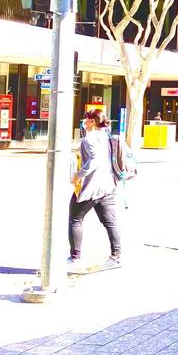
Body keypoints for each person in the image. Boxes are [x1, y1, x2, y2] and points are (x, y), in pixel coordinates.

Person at [69, 109, 121, 266]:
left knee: (75, 219)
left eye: (86, 119)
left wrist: (78, 175)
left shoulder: (89, 139)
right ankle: (116, 256)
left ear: (92, 121)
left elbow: (94, 161)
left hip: (91, 187)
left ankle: (75, 257)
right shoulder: (107, 136)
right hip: (108, 185)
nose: (84, 122)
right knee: (110, 222)